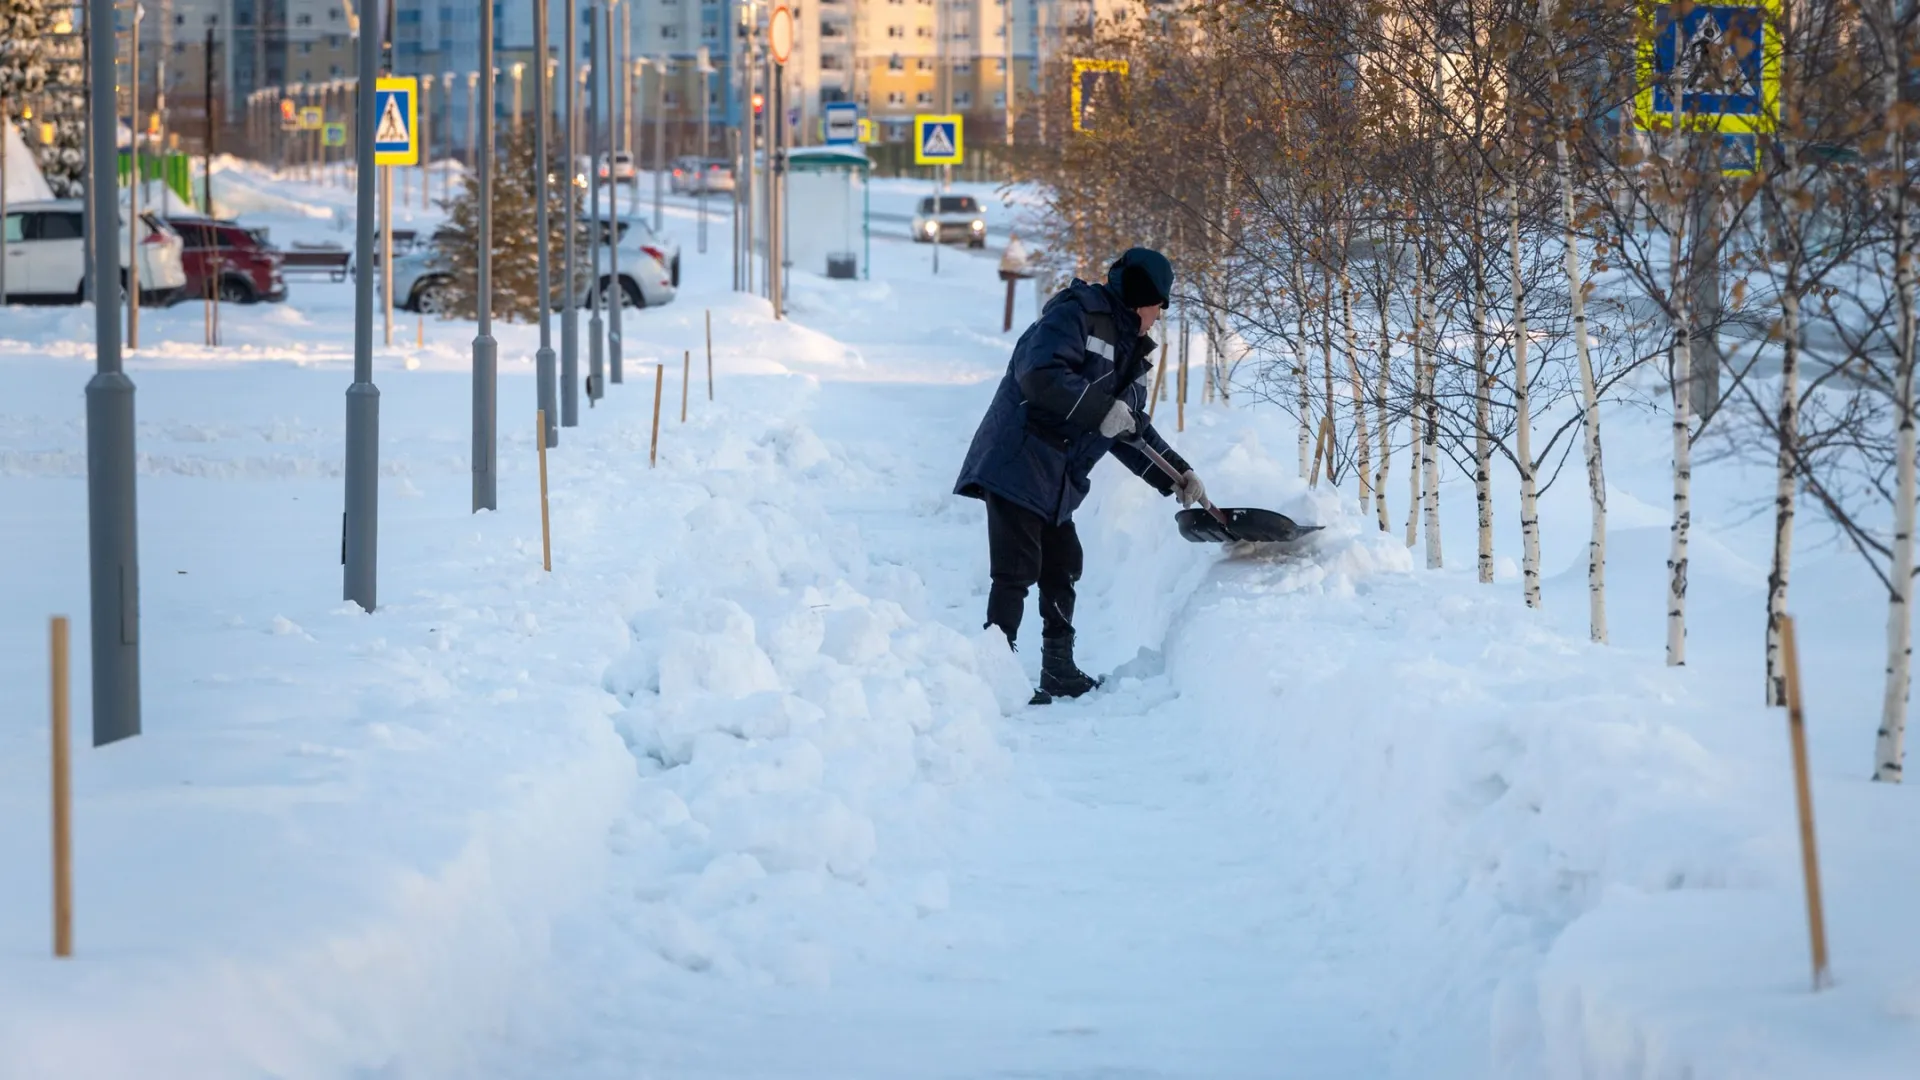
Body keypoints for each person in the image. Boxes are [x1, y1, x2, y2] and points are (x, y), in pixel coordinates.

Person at [954, 247, 1206, 702]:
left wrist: (1178, 476)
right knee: (1016, 569)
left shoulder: (1134, 354)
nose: (1159, 315)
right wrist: (1100, 408)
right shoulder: (1077, 315)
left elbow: (1129, 429)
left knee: (1063, 564)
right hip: (1019, 458)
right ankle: (995, 674)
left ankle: (1058, 668)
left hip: (1057, 477)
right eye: (1158, 304)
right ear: (1141, 297)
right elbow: (1039, 374)